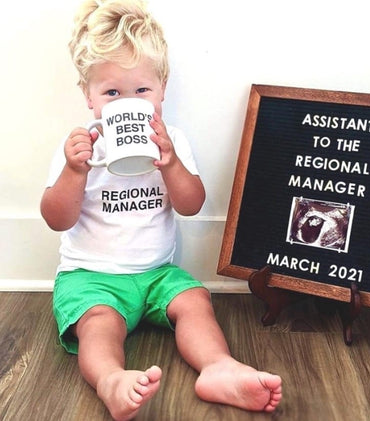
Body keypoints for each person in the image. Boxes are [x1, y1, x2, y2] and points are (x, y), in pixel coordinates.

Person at [40, 1, 282, 420]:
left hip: (156, 273)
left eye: (142, 91)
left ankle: (217, 368)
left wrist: (170, 163)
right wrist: (74, 171)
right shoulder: (78, 147)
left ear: (162, 88)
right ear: (88, 95)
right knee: (100, 324)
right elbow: (56, 218)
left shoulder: (171, 141)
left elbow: (191, 205)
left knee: (194, 300)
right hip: (91, 278)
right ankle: (110, 379)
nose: (127, 102)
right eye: (112, 92)